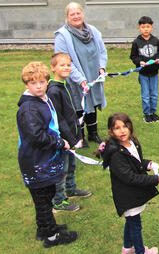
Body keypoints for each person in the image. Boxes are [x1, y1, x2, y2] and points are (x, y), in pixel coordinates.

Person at [17, 62, 78, 248]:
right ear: (26, 84)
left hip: (46, 159)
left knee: (47, 195)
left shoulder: (42, 99)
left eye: (42, 82)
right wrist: (60, 142)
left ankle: (44, 228)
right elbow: (36, 137)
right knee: (43, 200)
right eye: (33, 83)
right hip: (36, 162)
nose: (39, 86)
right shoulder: (29, 109)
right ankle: (51, 238)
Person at [96, 113, 159, 254]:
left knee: (131, 221)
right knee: (135, 225)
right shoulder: (116, 154)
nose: (122, 131)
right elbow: (130, 177)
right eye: (117, 128)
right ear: (111, 131)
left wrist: (147, 164)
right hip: (127, 195)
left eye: (125, 126)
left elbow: (136, 162)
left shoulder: (133, 142)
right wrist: (154, 179)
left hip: (134, 193)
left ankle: (127, 248)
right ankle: (140, 251)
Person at [54, 2, 108, 147]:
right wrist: (80, 79)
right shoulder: (62, 36)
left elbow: (102, 52)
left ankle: (93, 134)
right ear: (67, 16)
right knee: (79, 106)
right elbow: (64, 61)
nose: (76, 16)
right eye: (72, 14)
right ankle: (80, 137)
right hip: (75, 78)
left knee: (92, 103)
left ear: (83, 14)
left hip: (93, 75)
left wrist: (101, 68)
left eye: (78, 13)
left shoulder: (93, 31)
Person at [47, 53, 92, 213]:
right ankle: (58, 201)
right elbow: (59, 119)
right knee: (62, 169)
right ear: (53, 68)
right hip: (62, 138)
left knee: (71, 165)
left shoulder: (63, 85)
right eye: (62, 65)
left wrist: (78, 134)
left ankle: (71, 189)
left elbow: (70, 113)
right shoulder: (53, 90)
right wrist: (70, 139)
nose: (66, 67)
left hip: (71, 136)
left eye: (68, 65)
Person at [130, 16, 159, 123]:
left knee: (154, 94)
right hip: (143, 73)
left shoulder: (156, 41)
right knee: (145, 95)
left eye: (148, 27)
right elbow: (133, 56)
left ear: (152, 28)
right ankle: (147, 113)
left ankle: (153, 112)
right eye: (143, 27)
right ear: (139, 28)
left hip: (154, 72)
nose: (146, 29)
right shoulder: (136, 42)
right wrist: (139, 62)